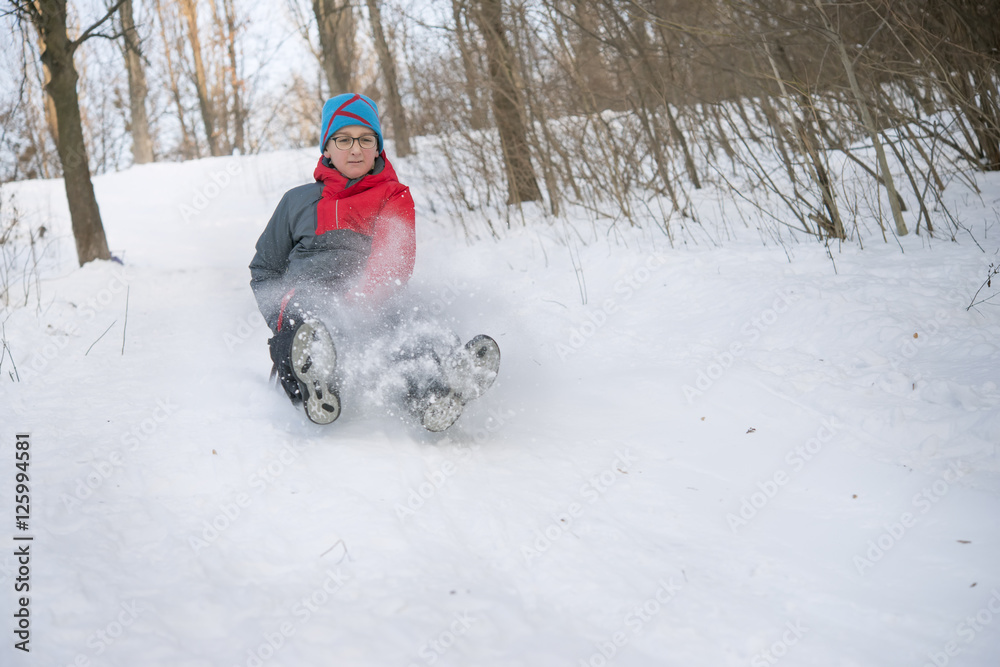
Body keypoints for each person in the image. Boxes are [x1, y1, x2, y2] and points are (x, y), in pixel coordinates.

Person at [249, 93, 499, 430]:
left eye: (366, 139)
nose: (356, 149)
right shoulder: (296, 202)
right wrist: (278, 314)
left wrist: (358, 307)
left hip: (370, 303)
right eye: (344, 139)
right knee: (300, 328)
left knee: (415, 320)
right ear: (326, 148)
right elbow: (265, 267)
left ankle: (439, 390)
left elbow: (393, 262)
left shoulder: (392, 197)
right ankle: (318, 390)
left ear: (378, 148)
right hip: (308, 305)